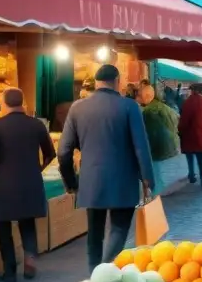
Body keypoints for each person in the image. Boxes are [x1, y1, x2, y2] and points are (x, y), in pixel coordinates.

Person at [58, 64, 155, 270]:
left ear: (96, 82)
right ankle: (105, 269)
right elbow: (141, 146)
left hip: (91, 179)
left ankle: (95, 272)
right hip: (124, 180)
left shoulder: (78, 107)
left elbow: (63, 151)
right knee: (119, 229)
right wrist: (147, 179)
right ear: (117, 81)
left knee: (94, 232)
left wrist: (71, 182)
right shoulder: (130, 107)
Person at [0, 88, 55, 282]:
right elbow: (50, 153)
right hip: (31, 180)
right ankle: (30, 257)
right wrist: (39, 167)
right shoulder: (36, 125)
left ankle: (10, 271)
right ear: (22, 102)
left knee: (4, 226)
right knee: (27, 221)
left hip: (6, 182)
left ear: (4, 103)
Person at [137, 83, 180, 196]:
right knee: (157, 171)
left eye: (139, 96)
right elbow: (176, 119)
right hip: (170, 144)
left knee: (153, 172)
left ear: (145, 96)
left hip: (158, 146)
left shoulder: (148, 112)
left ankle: (155, 195)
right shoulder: (164, 107)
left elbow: (150, 133)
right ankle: (157, 192)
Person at [178, 82, 202, 186]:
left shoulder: (188, 102)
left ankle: (192, 174)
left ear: (193, 90)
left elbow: (184, 119)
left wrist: (180, 129)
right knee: (201, 157)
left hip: (190, 134)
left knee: (190, 156)